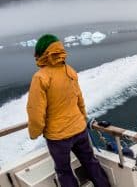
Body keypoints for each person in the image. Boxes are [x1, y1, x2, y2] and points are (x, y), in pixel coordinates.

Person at [26, 34, 110, 187]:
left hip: (58, 137)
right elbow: (79, 99)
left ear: (42, 53)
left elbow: (36, 113)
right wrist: (82, 118)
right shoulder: (69, 70)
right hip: (79, 129)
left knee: (64, 171)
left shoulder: (40, 78)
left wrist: (34, 133)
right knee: (90, 161)